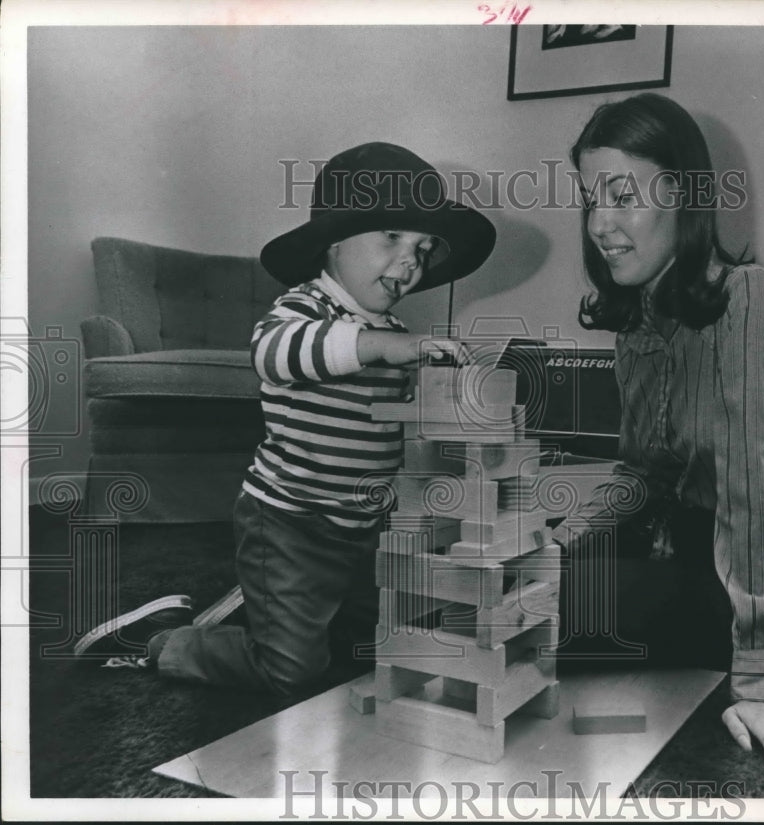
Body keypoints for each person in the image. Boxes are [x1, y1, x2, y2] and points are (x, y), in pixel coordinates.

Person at [74, 142, 497, 695]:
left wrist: (445, 389)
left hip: (361, 524)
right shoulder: (302, 309)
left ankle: (254, 607)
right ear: (333, 242)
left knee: (378, 640)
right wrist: (383, 347)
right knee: (290, 670)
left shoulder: (391, 331)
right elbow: (275, 353)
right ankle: (165, 643)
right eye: (392, 236)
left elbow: (396, 417)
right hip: (289, 521)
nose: (411, 260)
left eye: (423, 248)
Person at [552, 93, 764, 777]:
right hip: (677, 541)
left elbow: (750, 491)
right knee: (506, 593)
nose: (601, 225)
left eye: (623, 197)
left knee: (534, 622)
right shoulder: (638, 323)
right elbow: (645, 475)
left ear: (683, 195)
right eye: (592, 200)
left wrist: (759, 684)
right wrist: (562, 540)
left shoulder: (748, 296)